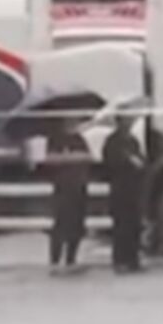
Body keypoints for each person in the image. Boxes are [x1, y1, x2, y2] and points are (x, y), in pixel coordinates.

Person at [46, 117, 93, 275]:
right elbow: (50, 159)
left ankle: (71, 259)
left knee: (77, 225)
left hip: (79, 187)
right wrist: (71, 157)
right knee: (60, 224)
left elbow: (88, 157)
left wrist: (73, 157)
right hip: (62, 188)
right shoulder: (55, 139)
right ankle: (54, 261)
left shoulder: (79, 139)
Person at [102, 112, 146, 274]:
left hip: (133, 188)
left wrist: (139, 162)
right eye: (127, 121)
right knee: (121, 227)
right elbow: (109, 162)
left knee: (134, 226)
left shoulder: (133, 141)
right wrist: (127, 159)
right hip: (120, 189)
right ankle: (120, 261)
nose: (130, 123)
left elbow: (141, 160)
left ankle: (133, 260)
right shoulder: (112, 142)